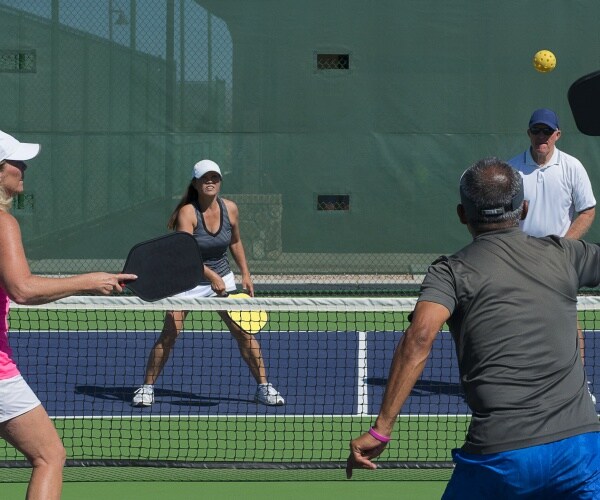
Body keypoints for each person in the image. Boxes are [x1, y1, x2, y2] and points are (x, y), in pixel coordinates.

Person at [346, 158, 600, 498]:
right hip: (581, 451)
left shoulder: (450, 272)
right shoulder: (565, 254)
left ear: (462, 214)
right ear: (522, 209)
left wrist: (381, 431)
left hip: (501, 456)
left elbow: (420, 337)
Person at [0, 130, 136, 500]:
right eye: (16, 162)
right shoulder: (3, 223)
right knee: (49, 456)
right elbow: (22, 289)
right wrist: (87, 282)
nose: (24, 168)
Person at [132, 159, 285, 407]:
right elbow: (185, 255)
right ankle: (147, 387)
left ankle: (263, 387)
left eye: (214, 177)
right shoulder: (187, 213)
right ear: (196, 183)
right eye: (205, 178)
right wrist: (210, 276)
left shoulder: (231, 209)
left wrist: (245, 273)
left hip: (222, 277)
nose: (210, 182)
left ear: (220, 182)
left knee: (243, 332)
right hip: (186, 280)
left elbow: (235, 241)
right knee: (171, 332)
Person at [508, 108, 597, 403]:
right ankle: (523, 386)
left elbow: (587, 209)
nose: (541, 137)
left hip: (559, 260)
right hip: (520, 261)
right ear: (529, 134)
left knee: (567, 322)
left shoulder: (572, 167)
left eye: (547, 132)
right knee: (518, 323)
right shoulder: (512, 170)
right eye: (536, 131)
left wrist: (565, 245)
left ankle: (577, 388)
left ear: (557, 135)